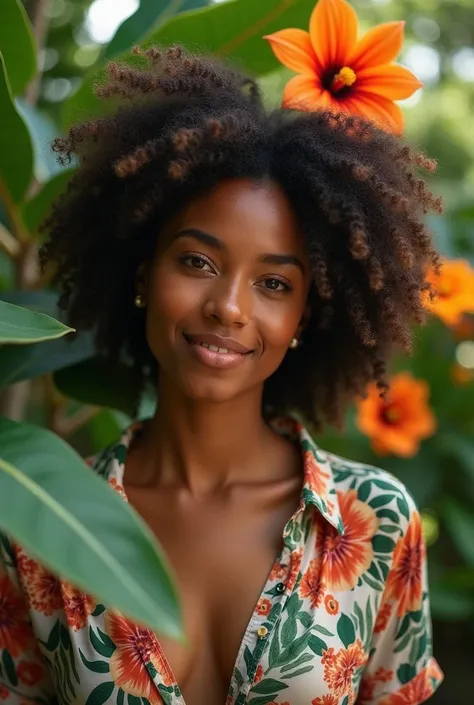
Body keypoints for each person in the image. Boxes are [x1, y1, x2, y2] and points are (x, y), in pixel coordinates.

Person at [0, 44, 444, 705]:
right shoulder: (41, 528)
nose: (229, 307)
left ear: (303, 315)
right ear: (144, 275)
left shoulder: (373, 520)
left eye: (272, 282)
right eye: (198, 262)